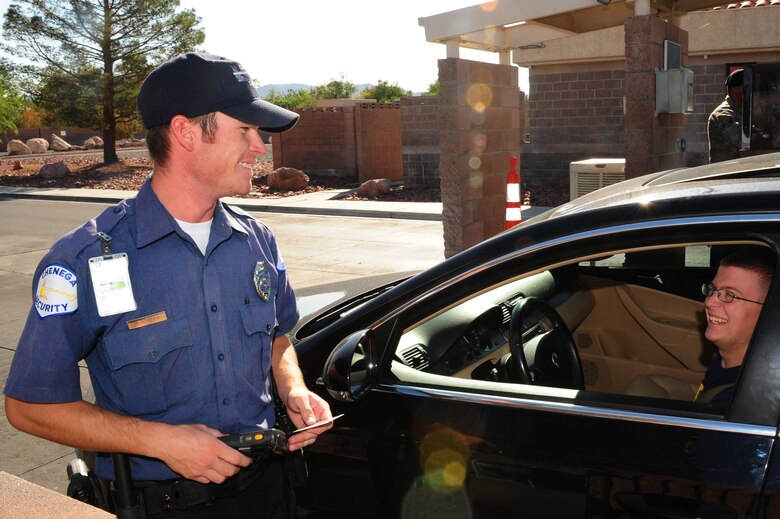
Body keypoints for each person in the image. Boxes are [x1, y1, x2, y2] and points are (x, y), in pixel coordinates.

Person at [4, 52, 333, 518]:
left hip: (269, 492)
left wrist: (293, 390)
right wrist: (162, 442)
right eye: (245, 130)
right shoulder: (82, 258)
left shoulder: (256, 241)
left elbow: (278, 338)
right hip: (164, 507)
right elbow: (29, 406)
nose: (260, 146)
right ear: (185, 133)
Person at [694, 248, 774, 406]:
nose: (709, 302)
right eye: (713, 290)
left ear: (767, 312)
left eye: (730, 295)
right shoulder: (726, 361)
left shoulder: (737, 403)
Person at [707, 68, 745, 163]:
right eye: (746, 87)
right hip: (725, 172)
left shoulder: (740, 110)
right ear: (735, 89)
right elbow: (741, 141)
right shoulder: (723, 115)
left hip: (738, 169)